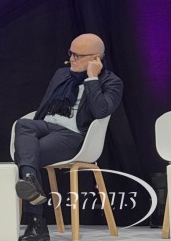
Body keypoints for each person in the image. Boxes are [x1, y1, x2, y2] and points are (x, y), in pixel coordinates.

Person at [13, 33, 123, 241]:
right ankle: (30, 180)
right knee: (23, 124)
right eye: (70, 53)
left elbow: (101, 111)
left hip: (73, 136)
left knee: (27, 156)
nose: (71, 59)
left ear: (96, 58)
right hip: (47, 125)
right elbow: (44, 106)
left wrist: (92, 78)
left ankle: (37, 223)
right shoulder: (62, 74)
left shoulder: (111, 82)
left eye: (77, 55)